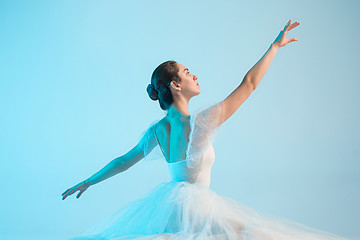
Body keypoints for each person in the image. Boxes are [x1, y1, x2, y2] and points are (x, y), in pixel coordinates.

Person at [62, 20, 348, 240]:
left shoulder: (157, 131)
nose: (194, 75)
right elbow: (249, 84)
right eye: (187, 72)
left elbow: (124, 162)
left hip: (170, 209)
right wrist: (273, 47)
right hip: (200, 209)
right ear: (175, 85)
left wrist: (88, 181)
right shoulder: (202, 121)